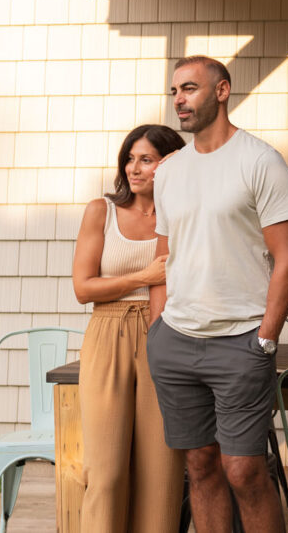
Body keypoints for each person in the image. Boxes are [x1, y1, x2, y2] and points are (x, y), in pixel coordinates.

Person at [147, 56, 288, 533]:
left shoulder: (260, 162)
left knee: (245, 470)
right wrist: (158, 328)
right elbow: (164, 257)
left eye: (190, 89)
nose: (179, 100)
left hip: (240, 342)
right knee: (200, 465)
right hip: (175, 340)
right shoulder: (170, 172)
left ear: (221, 91)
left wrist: (265, 340)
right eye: (175, 91)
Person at [72, 124, 186, 533]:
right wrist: (146, 276)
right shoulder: (100, 211)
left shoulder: (183, 214)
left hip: (166, 333)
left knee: (162, 471)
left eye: (148, 160)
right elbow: (83, 289)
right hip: (109, 333)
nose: (134, 168)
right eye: (130, 158)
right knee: (106, 470)